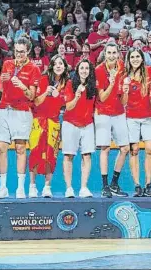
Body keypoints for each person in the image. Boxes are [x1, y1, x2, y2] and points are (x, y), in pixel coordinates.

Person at [0, 36, 41, 199]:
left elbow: (32, 96)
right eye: (16, 51)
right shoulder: (7, 64)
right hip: (3, 110)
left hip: (22, 111)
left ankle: (20, 188)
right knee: (1, 147)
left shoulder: (34, 69)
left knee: (21, 148)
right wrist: (3, 81)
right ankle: (3, 187)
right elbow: (0, 88)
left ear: (28, 51)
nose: (18, 55)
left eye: (21, 52)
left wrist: (22, 86)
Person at [28, 55, 69, 198]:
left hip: (54, 122)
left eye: (61, 64)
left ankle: (47, 186)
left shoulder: (67, 83)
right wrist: (47, 92)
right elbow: (36, 102)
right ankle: (32, 186)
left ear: (64, 67)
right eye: (55, 64)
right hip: (38, 121)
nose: (58, 66)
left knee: (52, 154)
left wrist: (59, 96)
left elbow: (67, 104)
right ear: (51, 66)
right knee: (35, 152)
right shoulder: (43, 80)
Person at [118, 48, 151, 197]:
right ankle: (137, 185)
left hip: (148, 117)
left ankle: (148, 184)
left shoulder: (150, 71)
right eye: (132, 57)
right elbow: (123, 102)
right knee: (134, 150)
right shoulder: (124, 76)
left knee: (150, 149)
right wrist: (126, 91)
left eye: (137, 56)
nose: (135, 59)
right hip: (131, 118)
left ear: (142, 58)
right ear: (129, 59)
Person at [94, 42, 129, 198]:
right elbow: (102, 97)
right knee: (105, 149)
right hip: (102, 113)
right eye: (109, 53)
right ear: (105, 54)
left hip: (119, 112)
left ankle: (114, 183)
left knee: (125, 148)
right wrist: (113, 82)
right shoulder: (99, 71)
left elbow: (123, 99)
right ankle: (104, 186)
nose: (112, 56)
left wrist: (125, 90)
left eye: (114, 53)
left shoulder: (122, 67)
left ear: (118, 54)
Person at [62, 59, 96, 198]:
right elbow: (68, 107)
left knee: (87, 155)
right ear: (77, 70)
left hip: (87, 124)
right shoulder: (70, 84)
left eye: (87, 68)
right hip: (70, 124)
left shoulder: (93, 86)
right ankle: (69, 188)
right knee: (68, 155)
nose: (84, 71)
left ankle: (83, 188)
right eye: (82, 68)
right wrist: (77, 96)